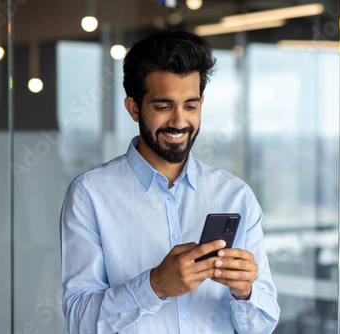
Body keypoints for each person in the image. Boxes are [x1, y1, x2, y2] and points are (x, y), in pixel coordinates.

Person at [60, 30, 280, 334]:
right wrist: (155, 285)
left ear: (202, 101)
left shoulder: (236, 196)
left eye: (190, 106)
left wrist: (245, 292)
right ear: (134, 108)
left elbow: (262, 325)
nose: (179, 121)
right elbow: (79, 322)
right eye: (163, 107)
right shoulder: (89, 195)